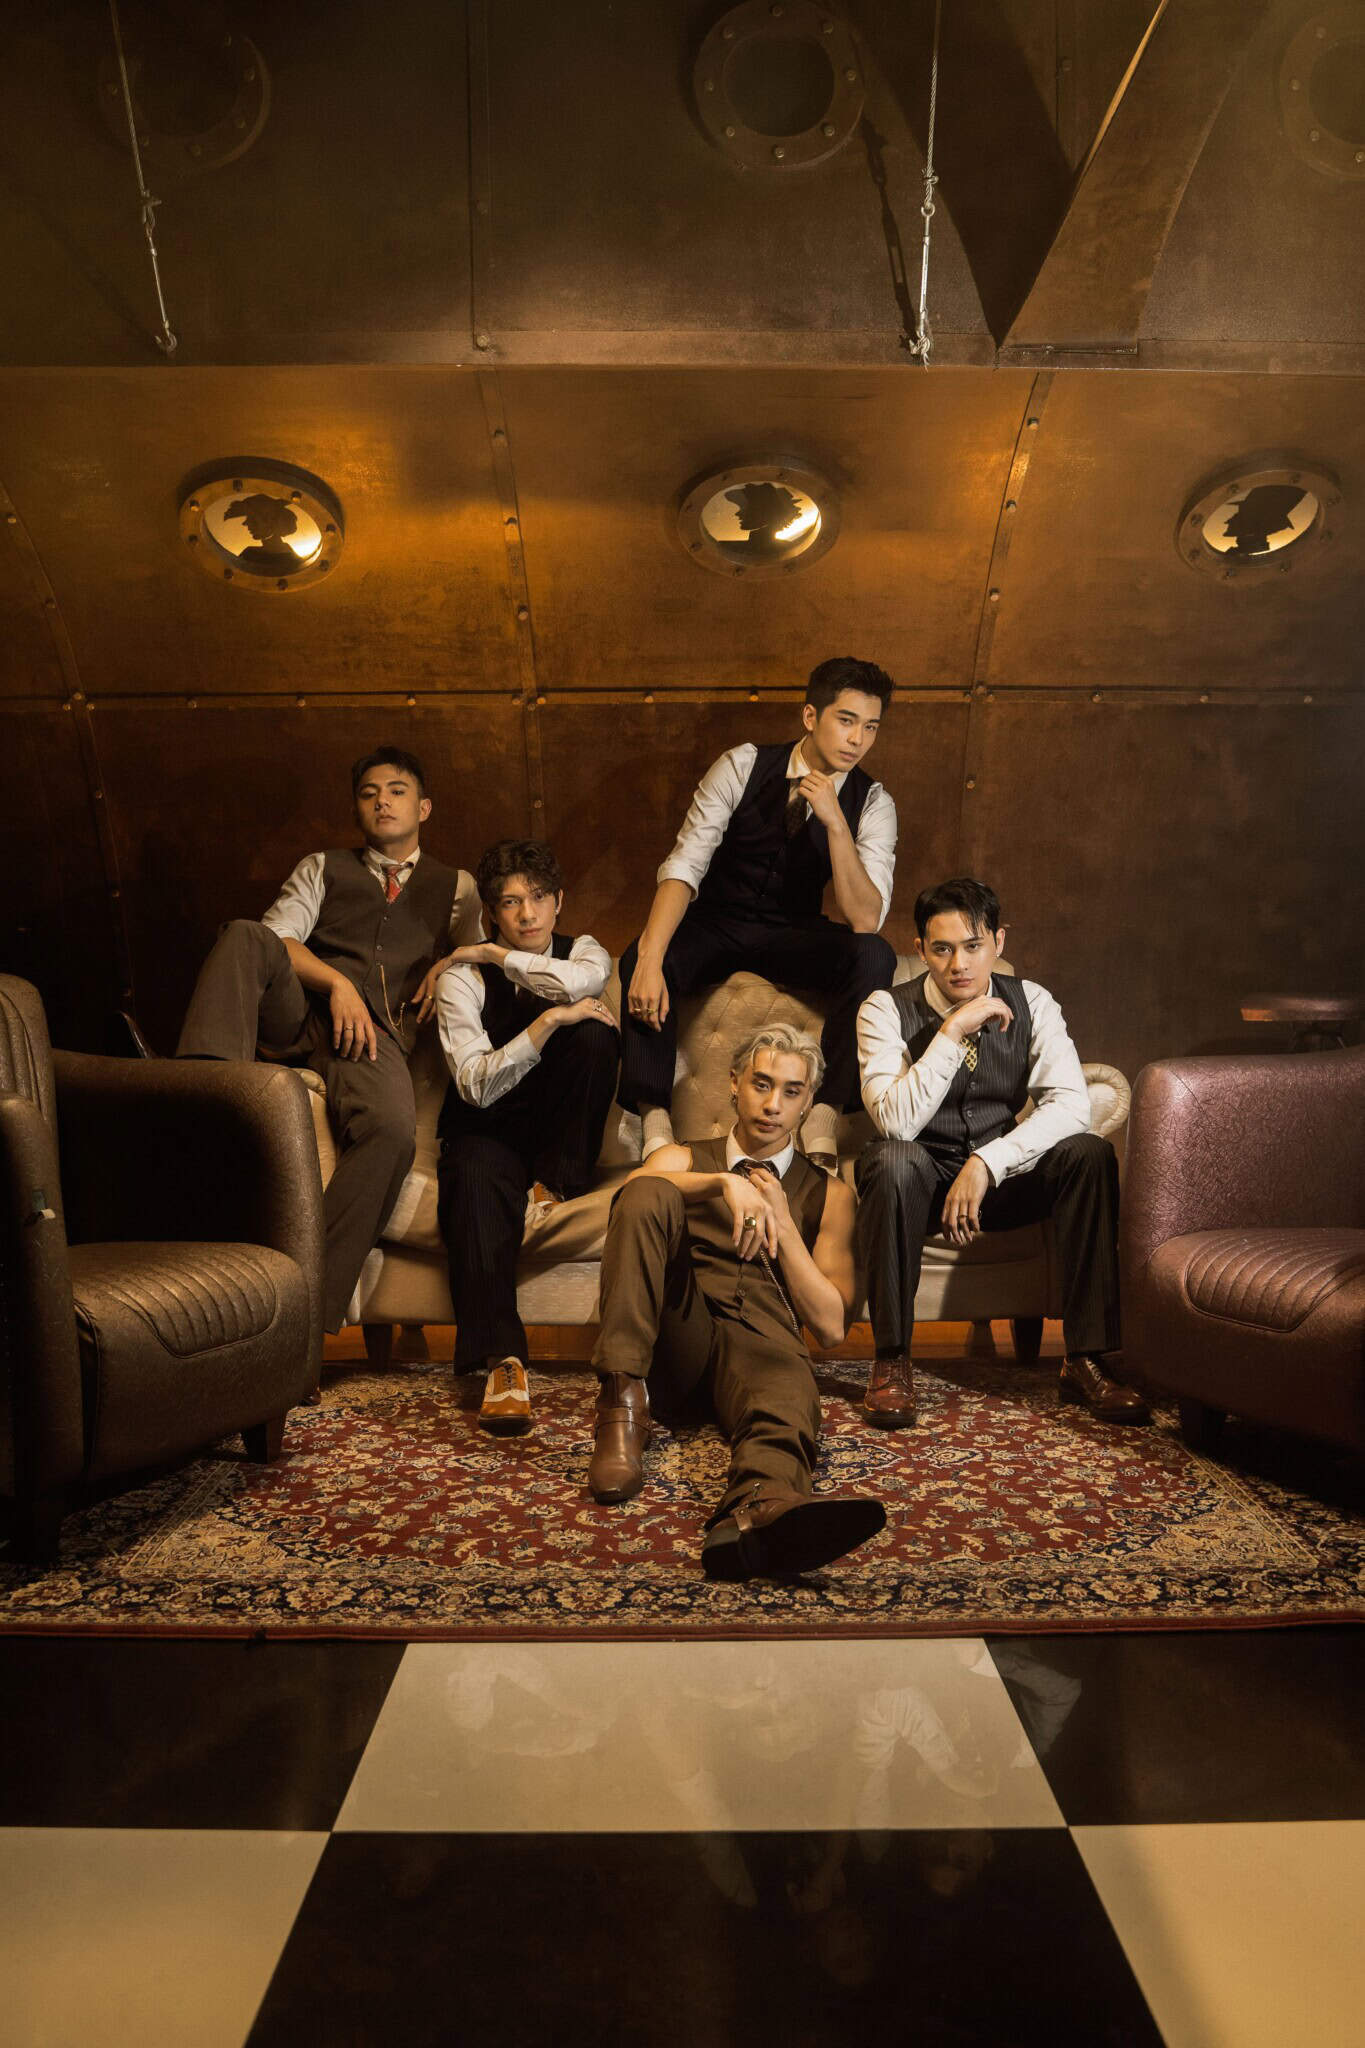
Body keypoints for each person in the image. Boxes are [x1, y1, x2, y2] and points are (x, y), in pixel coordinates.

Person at [176, 746, 478, 1333]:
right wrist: (336, 981)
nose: (382, 801)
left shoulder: (456, 886)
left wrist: (454, 963)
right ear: (357, 809)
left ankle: (303, 1314)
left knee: (390, 1135)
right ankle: (197, 1098)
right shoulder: (322, 866)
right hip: (301, 1011)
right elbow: (277, 938)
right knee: (243, 935)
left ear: (424, 806)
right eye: (369, 793)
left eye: (395, 790)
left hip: (374, 1036)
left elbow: (483, 955)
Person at [588, 1022, 886, 1580]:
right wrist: (724, 1183)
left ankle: (760, 1512)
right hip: (678, 1340)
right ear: (734, 1085)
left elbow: (828, 1326)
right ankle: (621, 1411)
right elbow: (630, 1201)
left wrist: (781, 1221)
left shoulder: (832, 1194)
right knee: (647, 1189)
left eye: (791, 1092)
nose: (773, 1105)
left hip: (760, 1347)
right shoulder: (685, 1157)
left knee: (789, 1390)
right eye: (761, 1084)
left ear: (808, 1102)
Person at [854, 877, 1149, 1430]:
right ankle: (892, 1361)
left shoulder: (1034, 1002)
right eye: (941, 949)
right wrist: (951, 1031)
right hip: (919, 1179)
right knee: (891, 1159)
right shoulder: (883, 1010)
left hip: (999, 1178)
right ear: (920, 950)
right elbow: (895, 1121)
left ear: (998, 943)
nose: (959, 964)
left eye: (972, 946)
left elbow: (1071, 1107)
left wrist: (988, 1162)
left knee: (1088, 1155)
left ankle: (1086, 1359)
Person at [618, 657, 899, 1172]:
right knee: (642, 952)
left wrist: (837, 825)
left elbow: (865, 919)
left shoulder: (872, 800)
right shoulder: (742, 764)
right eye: (846, 719)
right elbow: (685, 863)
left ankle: (823, 1118)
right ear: (811, 717)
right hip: (719, 921)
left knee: (875, 955)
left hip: (794, 931)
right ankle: (654, 1123)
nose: (858, 739)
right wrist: (652, 955)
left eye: (871, 726)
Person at [433, 839, 618, 1434]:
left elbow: (587, 979)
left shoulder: (583, 951)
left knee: (596, 1037)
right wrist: (547, 1020)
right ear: (492, 913)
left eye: (538, 898)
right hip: (488, 1133)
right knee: (472, 1174)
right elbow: (475, 1087)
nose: (528, 915)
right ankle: (503, 1363)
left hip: (558, 1142)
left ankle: (557, 1186)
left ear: (559, 901)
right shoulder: (460, 979)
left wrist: (501, 956)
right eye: (510, 904)